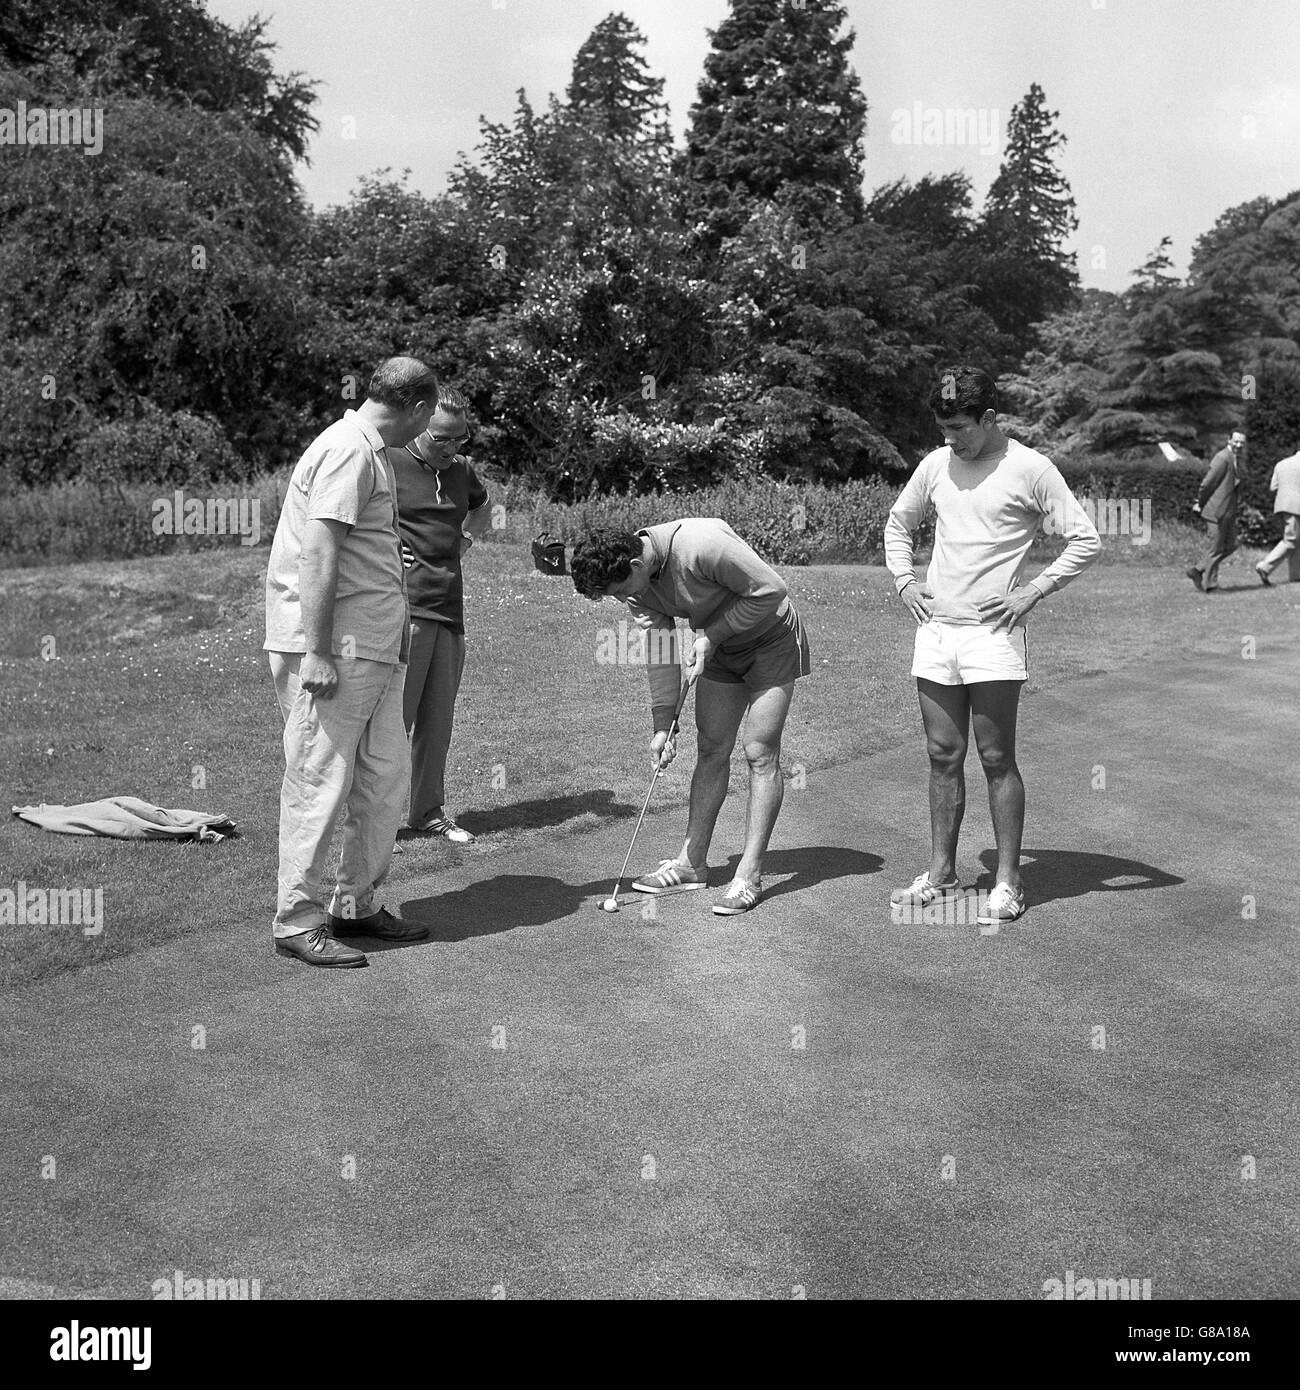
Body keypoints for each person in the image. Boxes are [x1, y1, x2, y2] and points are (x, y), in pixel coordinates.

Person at [884, 366, 1101, 926]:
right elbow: (898, 524)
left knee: (996, 757)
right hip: (936, 633)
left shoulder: (1031, 468)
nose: (950, 438)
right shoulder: (936, 464)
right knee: (941, 756)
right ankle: (940, 874)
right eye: (943, 427)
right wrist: (906, 580)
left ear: (989, 418)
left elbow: (1085, 538)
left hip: (995, 637)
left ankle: (1007, 881)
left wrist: (1032, 590)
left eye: (959, 427)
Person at [263, 357, 438, 967]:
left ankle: (354, 905)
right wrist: (314, 650)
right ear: (416, 409)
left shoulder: (366, 448)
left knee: (382, 778)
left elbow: (350, 543)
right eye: (429, 417)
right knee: (319, 779)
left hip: (372, 645)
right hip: (335, 648)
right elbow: (320, 548)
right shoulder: (349, 449)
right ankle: (297, 919)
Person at [571, 519, 811, 915]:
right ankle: (691, 864)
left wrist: (712, 635)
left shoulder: (702, 545)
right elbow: (662, 650)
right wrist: (663, 726)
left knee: (759, 751)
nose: (621, 600)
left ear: (635, 563)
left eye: (618, 591)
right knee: (712, 747)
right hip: (718, 647)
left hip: (771, 640)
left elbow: (771, 590)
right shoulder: (637, 589)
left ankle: (748, 876)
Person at [387, 386, 492, 841]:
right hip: (404, 611)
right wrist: (389, 553)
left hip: (449, 609)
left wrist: (465, 540)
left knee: (438, 720)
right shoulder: (388, 461)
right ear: (420, 425)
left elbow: (483, 508)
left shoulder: (462, 470)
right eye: (442, 439)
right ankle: (375, 820)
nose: (451, 448)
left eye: (459, 439)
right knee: (394, 721)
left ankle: (428, 811)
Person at [1187, 430, 1247, 592]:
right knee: (1216, 548)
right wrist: (1201, 502)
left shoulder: (1237, 459)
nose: (1239, 445)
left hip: (1228, 511)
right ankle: (1211, 586)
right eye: (1236, 441)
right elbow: (1207, 484)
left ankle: (1198, 570)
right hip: (1216, 511)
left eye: (1242, 442)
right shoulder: (1222, 458)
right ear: (1229, 440)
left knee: (1232, 544)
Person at [1255, 445, 1300, 585]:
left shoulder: (1281, 464)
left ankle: (1296, 575)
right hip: (1296, 506)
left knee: (1296, 541)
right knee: (1291, 540)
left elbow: (1273, 487)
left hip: (1282, 506)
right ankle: (1265, 567)